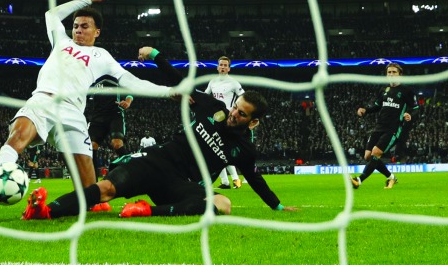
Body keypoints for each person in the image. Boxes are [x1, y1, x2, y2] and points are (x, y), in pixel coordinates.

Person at [19, 46, 298, 220]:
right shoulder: (214, 108)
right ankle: (46, 211)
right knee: (105, 190)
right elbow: (180, 81)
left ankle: (147, 210)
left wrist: (278, 206)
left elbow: (255, 179)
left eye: (243, 114)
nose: (235, 113)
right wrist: (156, 56)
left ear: (253, 123)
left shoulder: (244, 151)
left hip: (181, 184)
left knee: (223, 203)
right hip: (158, 161)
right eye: (237, 108)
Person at [0, 0, 174, 221]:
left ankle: (73, 204)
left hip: (73, 113)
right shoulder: (61, 41)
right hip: (43, 99)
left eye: (84, 26)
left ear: (97, 32)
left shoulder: (102, 56)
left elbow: (131, 81)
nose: (77, 29)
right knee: (18, 136)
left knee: (91, 192)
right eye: (75, 25)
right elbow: (51, 15)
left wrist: (168, 92)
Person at [352, 63, 418, 190]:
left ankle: (359, 180)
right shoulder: (383, 90)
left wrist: (409, 114)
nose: (391, 74)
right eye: (389, 72)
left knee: (376, 153)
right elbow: (377, 106)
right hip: (378, 127)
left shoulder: (406, 91)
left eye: (394, 72)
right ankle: (391, 177)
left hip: (392, 129)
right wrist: (365, 110)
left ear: (400, 74)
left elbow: (415, 108)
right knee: (367, 156)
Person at [206, 56, 245, 189]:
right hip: (214, 119)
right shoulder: (212, 82)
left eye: (225, 65)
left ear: (229, 68)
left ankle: (234, 179)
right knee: (215, 150)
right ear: (217, 67)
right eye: (221, 64)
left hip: (227, 120)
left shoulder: (233, 83)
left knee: (221, 149)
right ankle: (226, 182)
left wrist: (234, 110)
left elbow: (243, 97)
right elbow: (206, 96)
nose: (222, 67)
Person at [86, 80, 133, 177]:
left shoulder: (115, 77)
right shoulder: (93, 78)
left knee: (117, 144)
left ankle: (133, 172)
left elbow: (129, 93)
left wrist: (127, 102)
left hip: (115, 114)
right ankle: (93, 181)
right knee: (91, 146)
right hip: (97, 116)